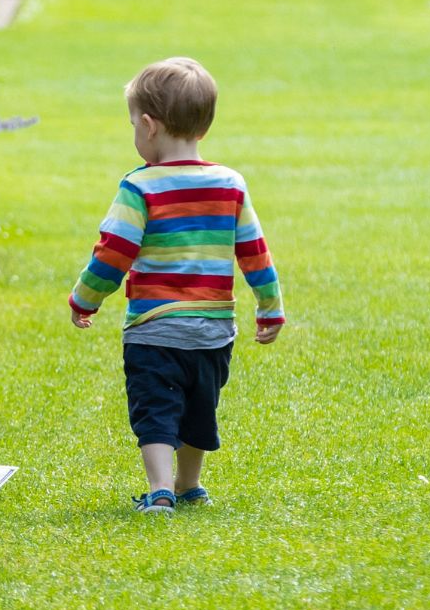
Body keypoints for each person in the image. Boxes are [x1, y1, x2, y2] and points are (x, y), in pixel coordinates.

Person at [68, 58, 284, 513]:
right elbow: (254, 252)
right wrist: (269, 307)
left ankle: (161, 489)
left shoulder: (139, 186)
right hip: (213, 330)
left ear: (148, 126)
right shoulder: (230, 184)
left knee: (156, 410)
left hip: (154, 327)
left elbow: (112, 253)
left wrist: (84, 299)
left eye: (132, 124)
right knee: (198, 408)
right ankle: (190, 484)